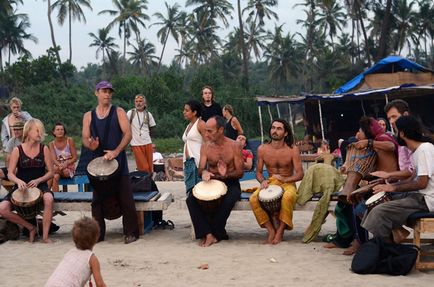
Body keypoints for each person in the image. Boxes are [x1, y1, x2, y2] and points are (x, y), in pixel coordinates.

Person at [82, 80, 139, 244]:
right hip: (98, 164)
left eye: (109, 91)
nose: (107, 94)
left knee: (126, 198)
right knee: (97, 201)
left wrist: (116, 151)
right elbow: (85, 138)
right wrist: (90, 144)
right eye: (103, 91)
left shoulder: (118, 111)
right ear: (96, 93)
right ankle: (98, 234)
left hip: (118, 161)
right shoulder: (88, 116)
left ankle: (131, 233)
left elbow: (128, 134)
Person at [362, 115, 434, 242]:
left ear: (402, 133)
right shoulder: (418, 151)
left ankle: (387, 249)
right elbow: (412, 178)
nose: (394, 134)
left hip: (427, 199)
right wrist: (389, 182)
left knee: (380, 211)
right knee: (379, 201)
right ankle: (393, 238)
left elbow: (422, 183)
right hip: (420, 196)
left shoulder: (424, 149)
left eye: (396, 131)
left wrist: (393, 187)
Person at [186, 115, 243, 247]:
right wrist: (204, 172)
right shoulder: (205, 146)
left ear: (221, 130)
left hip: (230, 182)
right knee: (191, 200)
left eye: (210, 131)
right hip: (211, 181)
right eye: (205, 130)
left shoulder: (235, 146)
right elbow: (200, 169)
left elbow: (240, 172)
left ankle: (215, 233)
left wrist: (225, 174)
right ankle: (208, 234)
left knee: (229, 200)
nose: (206, 134)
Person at [249, 119, 304, 244]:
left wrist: (285, 179)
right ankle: (270, 230)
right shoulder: (262, 149)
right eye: (273, 128)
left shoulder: (292, 149)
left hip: (288, 182)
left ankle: (280, 231)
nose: (275, 131)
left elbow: (300, 174)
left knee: (288, 197)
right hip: (271, 182)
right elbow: (258, 172)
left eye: (279, 129)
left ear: (285, 133)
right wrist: (262, 181)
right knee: (253, 199)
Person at [0, 119, 54, 243]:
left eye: (41, 131)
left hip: (40, 185)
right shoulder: (17, 150)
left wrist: (39, 180)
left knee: (49, 199)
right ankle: (30, 227)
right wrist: (18, 181)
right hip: (21, 187)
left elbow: (51, 172)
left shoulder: (44, 149)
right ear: (28, 131)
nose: (40, 133)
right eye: (37, 130)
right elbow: (10, 173)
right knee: (2, 208)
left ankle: (45, 237)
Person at [45, 217, 106, 287]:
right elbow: (100, 285)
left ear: (74, 238)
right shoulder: (92, 258)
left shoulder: (70, 252)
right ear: (97, 237)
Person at [127, 94, 156, 174]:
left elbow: (152, 127)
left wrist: (148, 137)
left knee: (150, 168)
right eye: (136, 101)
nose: (138, 103)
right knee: (144, 167)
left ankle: (149, 184)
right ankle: (144, 183)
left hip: (147, 143)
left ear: (144, 103)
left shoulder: (148, 114)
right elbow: (125, 127)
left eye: (140, 101)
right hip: (135, 144)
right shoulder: (130, 113)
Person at [182, 100, 205, 194]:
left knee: (198, 192)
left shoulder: (201, 124)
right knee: (190, 192)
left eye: (187, 110)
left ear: (194, 112)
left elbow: (208, 143)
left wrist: (203, 165)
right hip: (188, 163)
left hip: (197, 162)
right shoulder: (189, 125)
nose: (184, 112)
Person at [48, 122, 78, 192]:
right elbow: (54, 159)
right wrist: (60, 165)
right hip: (58, 167)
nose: (60, 131)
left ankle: (44, 192)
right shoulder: (51, 144)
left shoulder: (69, 140)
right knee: (55, 176)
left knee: (52, 172)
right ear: (54, 132)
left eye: (62, 129)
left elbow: (75, 158)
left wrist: (66, 164)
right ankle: (56, 196)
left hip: (69, 168)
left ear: (64, 131)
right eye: (58, 130)